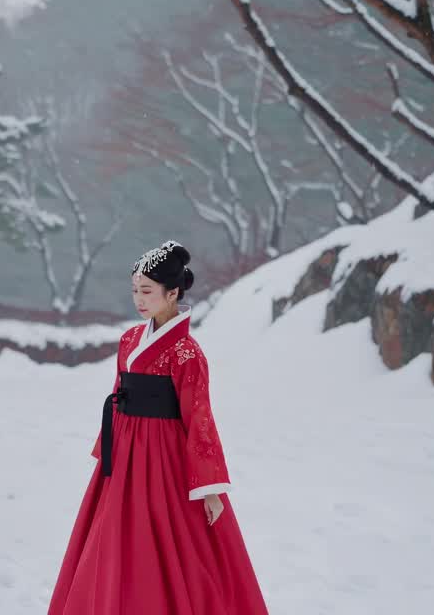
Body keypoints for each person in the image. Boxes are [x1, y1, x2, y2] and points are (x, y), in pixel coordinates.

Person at [48, 240, 269, 614]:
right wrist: (107, 453)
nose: (139, 299)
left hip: (165, 455)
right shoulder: (130, 340)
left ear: (173, 293)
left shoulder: (187, 353)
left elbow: (199, 418)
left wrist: (210, 488)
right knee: (112, 537)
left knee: (170, 543)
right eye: (135, 290)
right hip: (125, 453)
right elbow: (118, 392)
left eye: (147, 291)